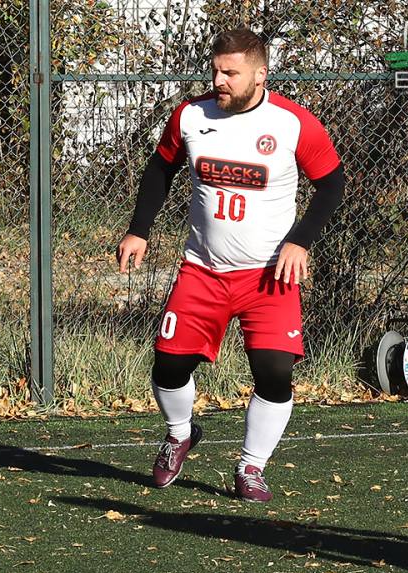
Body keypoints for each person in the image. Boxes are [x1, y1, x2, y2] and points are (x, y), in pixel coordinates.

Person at [116, 29, 345, 502]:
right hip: (202, 270)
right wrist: (139, 229)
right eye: (216, 70)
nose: (219, 80)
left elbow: (332, 185)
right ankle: (180, 433)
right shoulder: (190, 115)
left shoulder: (293, 123)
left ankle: (251, 466)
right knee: (169, 366)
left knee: (274, 372)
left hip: (270, 275)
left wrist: (300, 241)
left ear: (260, 75)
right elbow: (160, 169)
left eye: (230, 73)